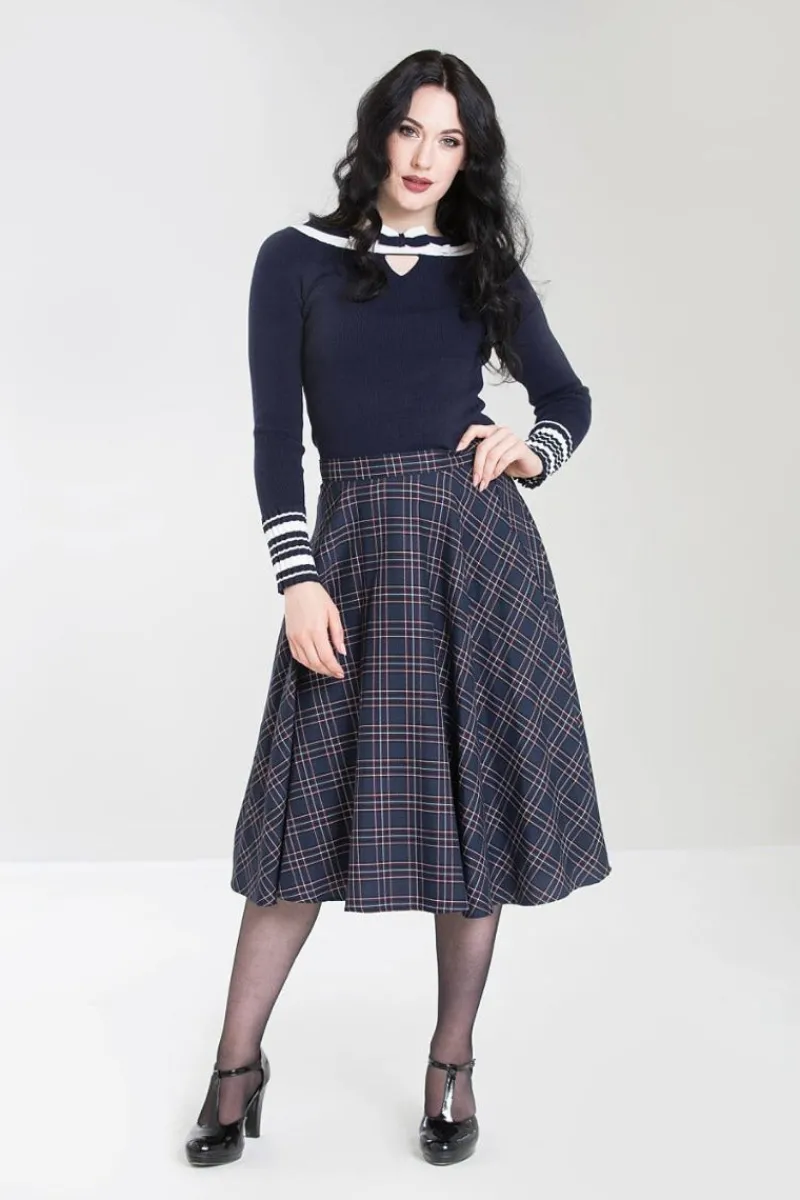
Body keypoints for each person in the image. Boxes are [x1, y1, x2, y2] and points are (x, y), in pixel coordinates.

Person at [184, 47, 611, 1169]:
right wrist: (296, 578)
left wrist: (533, 448)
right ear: (378, 133)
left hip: (478, 557)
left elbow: (566, 397)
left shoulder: (482, 270)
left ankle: (450, 1063)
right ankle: (236, 1065)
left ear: (469, 158)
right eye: (411, 129)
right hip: (353, 556)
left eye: (450, 140)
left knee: (474, 816)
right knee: (297, 824)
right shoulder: (295, 260)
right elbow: (276, 439)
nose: (425, 157)